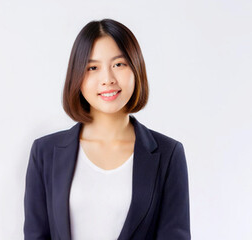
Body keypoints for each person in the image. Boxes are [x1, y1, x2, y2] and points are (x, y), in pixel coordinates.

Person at [24, 18, 190, 240]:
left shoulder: (169, 154)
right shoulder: (44, 152)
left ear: (136, 68)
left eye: (118, 64)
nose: (107, 79)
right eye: (93, 68)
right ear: (77, 77)